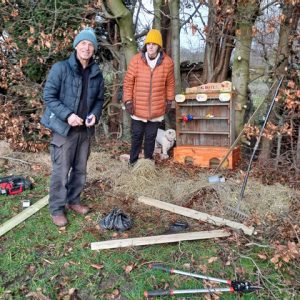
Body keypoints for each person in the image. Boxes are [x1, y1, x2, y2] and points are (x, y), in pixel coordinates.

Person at [41, 27, 104, 227]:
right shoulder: (61, 68)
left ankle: (73, 201)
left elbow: (99, 100)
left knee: (80, 169)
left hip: (84, 131)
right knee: (61, 170)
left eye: (90, 44)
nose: (86, 47)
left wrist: (94, 114)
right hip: (63, 129)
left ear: (94, 49)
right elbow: (49, 96)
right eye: (83, 43)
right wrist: (67, 115)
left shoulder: (96, 73)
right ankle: (56, 209)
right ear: (76, 46)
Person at [123, 28, 175, 165]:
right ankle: (133, 162)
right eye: (148, 43)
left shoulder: (168, 63)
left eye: (154, 43)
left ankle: (147, 163)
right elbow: (128, 82)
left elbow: (170, 84)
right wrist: (128, 101)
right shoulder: (136, 60)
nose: (151, 46)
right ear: (145, 45)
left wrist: (169, 100)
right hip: (138, 108)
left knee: (151, 137)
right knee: (137, 136)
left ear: (159, 46)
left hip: (157, 108)